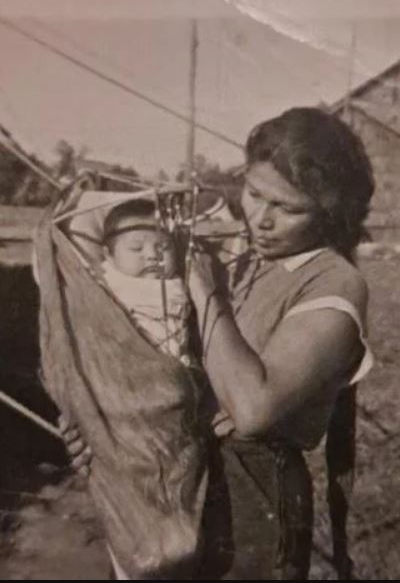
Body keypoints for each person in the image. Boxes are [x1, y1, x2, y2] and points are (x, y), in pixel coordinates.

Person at [63, 106, 375, 580]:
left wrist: (203, 286)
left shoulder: (334, 282)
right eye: (253, 194)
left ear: (329, 212)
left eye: (287, 208)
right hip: (181, 474)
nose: (261, 219)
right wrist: (98, 422)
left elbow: (253, 409)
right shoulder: (242, 258)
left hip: (252, 491)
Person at [100, 199, 190, 362]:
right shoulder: (106, 291)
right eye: (136, 248)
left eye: (163, 247)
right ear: (109, 255)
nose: (152, 255)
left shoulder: (181, 289)